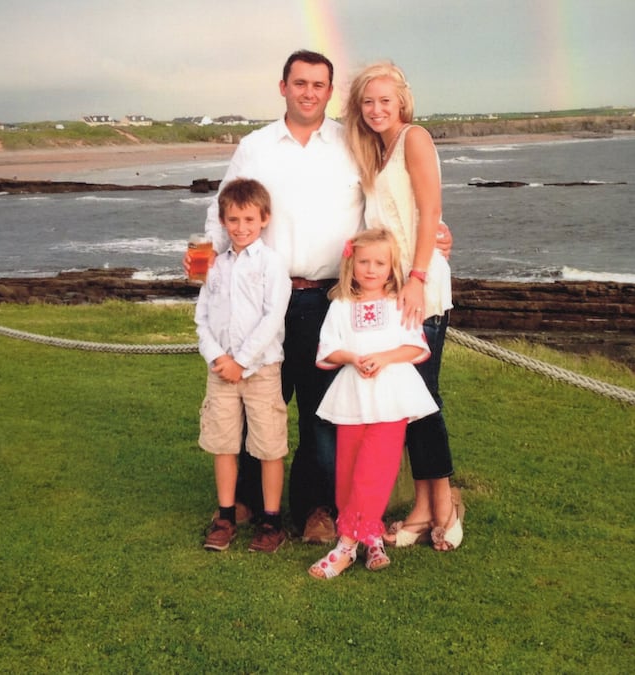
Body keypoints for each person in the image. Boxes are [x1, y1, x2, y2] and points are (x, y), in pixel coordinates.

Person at [186, 50, 451, 542]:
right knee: (256, 396)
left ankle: (317, 511)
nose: (309, 92)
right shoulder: (256, 146)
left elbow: (389, 205)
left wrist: (433, 234)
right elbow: (223, 209)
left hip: (326, 296)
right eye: (300, 82)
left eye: (319, 85)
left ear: (330, 93)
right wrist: (206, 262)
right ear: (282, 86)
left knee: (320, 411)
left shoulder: (350, 144)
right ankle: (243, 502)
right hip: (263, 293)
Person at [343, 61, 464, 552]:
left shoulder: (414, 138)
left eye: (384, 101)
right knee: (410, 404)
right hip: (393, 291)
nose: (376, 109)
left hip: (421, 288)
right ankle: (425, 505)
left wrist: (416, 277)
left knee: (424, 400)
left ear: (402, 103)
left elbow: (430, 209)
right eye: (368, 101)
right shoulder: (375, 148)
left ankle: (445, 504)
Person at [308, 229, 438, 579]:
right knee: (350, 470)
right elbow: (328, 349)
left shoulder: (400, 302)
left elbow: (415, 346)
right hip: (353, 396)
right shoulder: (340, 306)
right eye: (363, 262)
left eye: (379, 263)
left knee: (375, 470)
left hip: (392, 398)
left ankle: (345, 546)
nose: (371, 269)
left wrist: (383, 357)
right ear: (351, 264)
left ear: (391, 266)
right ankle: (372, 535)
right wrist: (352, 357)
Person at [195, 178, 292, 553]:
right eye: (233, 220)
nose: (241, 227)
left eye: (249, 219)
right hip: (221, 371)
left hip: (261, 369)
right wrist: (218, 357)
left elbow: (272, 318)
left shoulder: (271, 264)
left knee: (269, 446)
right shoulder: (215, 266)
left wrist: (242, 361)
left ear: (264, 219)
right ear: (223, 221)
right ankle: (225, 515)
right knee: (224, 444)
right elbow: (202, 317)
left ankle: (271, 521)